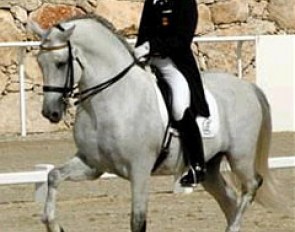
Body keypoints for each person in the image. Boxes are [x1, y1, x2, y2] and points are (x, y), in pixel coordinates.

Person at [134, 0, 210, 187]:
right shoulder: (152, 1)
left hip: (173, 65)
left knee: (179, 107)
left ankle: (197, 165)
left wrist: (152, 46)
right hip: (148, 62)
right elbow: (144, 30)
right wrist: (140, 49)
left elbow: (182, 40)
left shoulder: (186, 3)